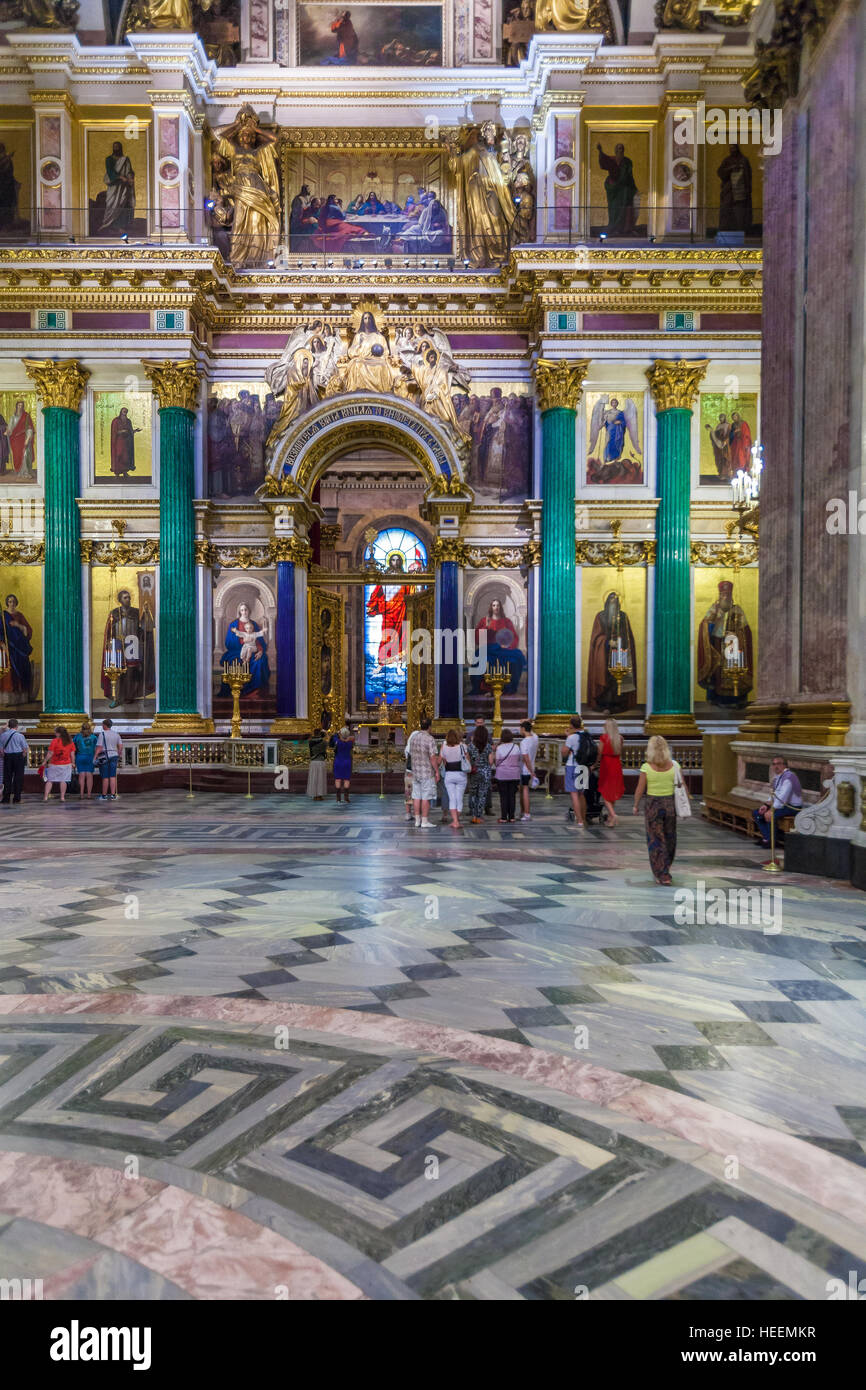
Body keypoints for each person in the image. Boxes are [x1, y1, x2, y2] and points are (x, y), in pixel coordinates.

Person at [633, 734, 681, 885]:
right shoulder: (675, 766)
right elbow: (682, 786)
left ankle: (662, 873)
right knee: (670, 837)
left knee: (655, 839)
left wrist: (635, 805)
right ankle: (666, 869)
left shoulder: (646, 767)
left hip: (653, 805)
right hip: (670, 804)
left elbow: (640, 789)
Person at [753, 755, 803, 848]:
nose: (776, 766)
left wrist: (771, 810)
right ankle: (768, 838)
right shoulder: (779, 776)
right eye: (774, 764)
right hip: (783, 805)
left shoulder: (789, 777)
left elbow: (782, 797)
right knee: (757, 813)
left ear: (785, 765)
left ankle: (771, 841)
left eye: (779, 764)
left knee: (770, 815)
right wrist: (766, 805)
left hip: (792, 807)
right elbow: (775, 793)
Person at [562, 715, 595, 828]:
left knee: (574, 794)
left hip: (573, 766)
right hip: (584, 766)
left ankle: (579, 821)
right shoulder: (587, 735)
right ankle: (583, 819)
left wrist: (567, 737)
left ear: (571, 725)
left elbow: (564, 752)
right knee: (582, 794)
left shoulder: (571, 737)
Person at [407, 716, 439, 828]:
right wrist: (437, 771)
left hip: (415, 772)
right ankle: (424, 821)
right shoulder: (429, 739)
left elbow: (410, 753)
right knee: (425, 797)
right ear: (430, 727)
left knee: (416, 796)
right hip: (426, 773)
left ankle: (417, 820)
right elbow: (432, 757)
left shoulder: (414, 738)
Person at [439, 729, 469, 830]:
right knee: (459, 798)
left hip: (449, 774)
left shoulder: (444, 747)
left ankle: (455, 821)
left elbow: (442, 760)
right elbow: (467, 760)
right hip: (461, 774)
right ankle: (456, 820)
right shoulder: (463, 746)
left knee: (452, 798)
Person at [597, 717, 625, 827]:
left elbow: (599, 752)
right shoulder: (620, 738)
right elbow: (620, 751)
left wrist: (595, 764)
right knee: (612, 792)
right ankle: (610, 818)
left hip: (606, 765)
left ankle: (613, 815)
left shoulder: (604, 738)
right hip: (616, 765)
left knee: (605, 793)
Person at [491, 728, 522, 822]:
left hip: (502, 775)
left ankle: (504, 817)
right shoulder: (516, 747)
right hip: (514, 774)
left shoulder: (500, 748)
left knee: (503, 796)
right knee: (512, 796)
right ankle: (512, 817)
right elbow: (519, 759)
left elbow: (496, 762)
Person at [467, 723, 491, 824]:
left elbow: (468, 760)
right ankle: (479, 816)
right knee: (482, 795)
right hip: (485, 773)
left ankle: (473, 816)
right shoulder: (488, 746)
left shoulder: (471, 746)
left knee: (472, 794)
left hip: (474, 772)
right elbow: (490, 761)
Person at [43, 725, 75, 804]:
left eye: (55, 733)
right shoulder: (70, 741)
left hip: (54, 763)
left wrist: (45, 761)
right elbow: (72, 754)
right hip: (66, 764)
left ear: (59, 733)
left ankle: (46, 797)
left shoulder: (54, 741)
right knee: (63, 781)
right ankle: (62, 797)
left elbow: (50, 753)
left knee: (50, 780)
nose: (55, 734)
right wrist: (73, 763)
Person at [0, 718, 27, 806]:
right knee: (18, 778)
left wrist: (5, 755)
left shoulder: (3, 735)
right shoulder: (20, 735)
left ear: (9, 726)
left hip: (7, 756)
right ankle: (17, 799)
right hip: (18, 756)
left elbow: (1, 749)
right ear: (16, 726)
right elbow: (24, 749)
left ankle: (6, 798)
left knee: (7, 778)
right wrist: (22, 756)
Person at [95, 718, 123, 801]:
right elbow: (120, 746)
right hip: (114, 755)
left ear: (104, 725)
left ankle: (104, 795)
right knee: (112, 776)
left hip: (105, 756)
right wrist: (118, 753)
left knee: (105, 776)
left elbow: (99, 747)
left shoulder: (102, 734)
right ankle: (113, 795)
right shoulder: (116, 734)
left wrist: (95, 756)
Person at [518, 719, 538, 821]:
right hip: (531, 767)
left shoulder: (524, 742)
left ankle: (526, 813)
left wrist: (531, 772)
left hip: (526, 769)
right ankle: (522, 811)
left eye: (520, 728)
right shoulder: (535, 738)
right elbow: (532, 731)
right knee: (522, 789)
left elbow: (525, 758)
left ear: (523, 729)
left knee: (525, 790)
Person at [73, 720, 98, 800]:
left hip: (80, 756)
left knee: (81, 775)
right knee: (89, 775)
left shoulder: (78, 736)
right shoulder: (94, 737)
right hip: (90, 757)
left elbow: (73, 746)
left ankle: (81, 794)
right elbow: (96, 747)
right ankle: (89, 795)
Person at [330, 726, 354, 804]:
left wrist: (338, 733)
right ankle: (346, 798)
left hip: (338, 761)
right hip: (347, 762)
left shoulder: (337, 741)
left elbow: (334, 736)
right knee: (346, 779)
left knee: (338, 779)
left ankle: (338, 799)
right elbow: (351, 738)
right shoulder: (350, 743)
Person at [306, 726, 327, 800]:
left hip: (313, 762)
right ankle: (320, 795)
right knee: (320, 779)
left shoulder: (310, 741)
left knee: (314, 779)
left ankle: (314, 795)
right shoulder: (324, 742)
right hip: (321, 761)